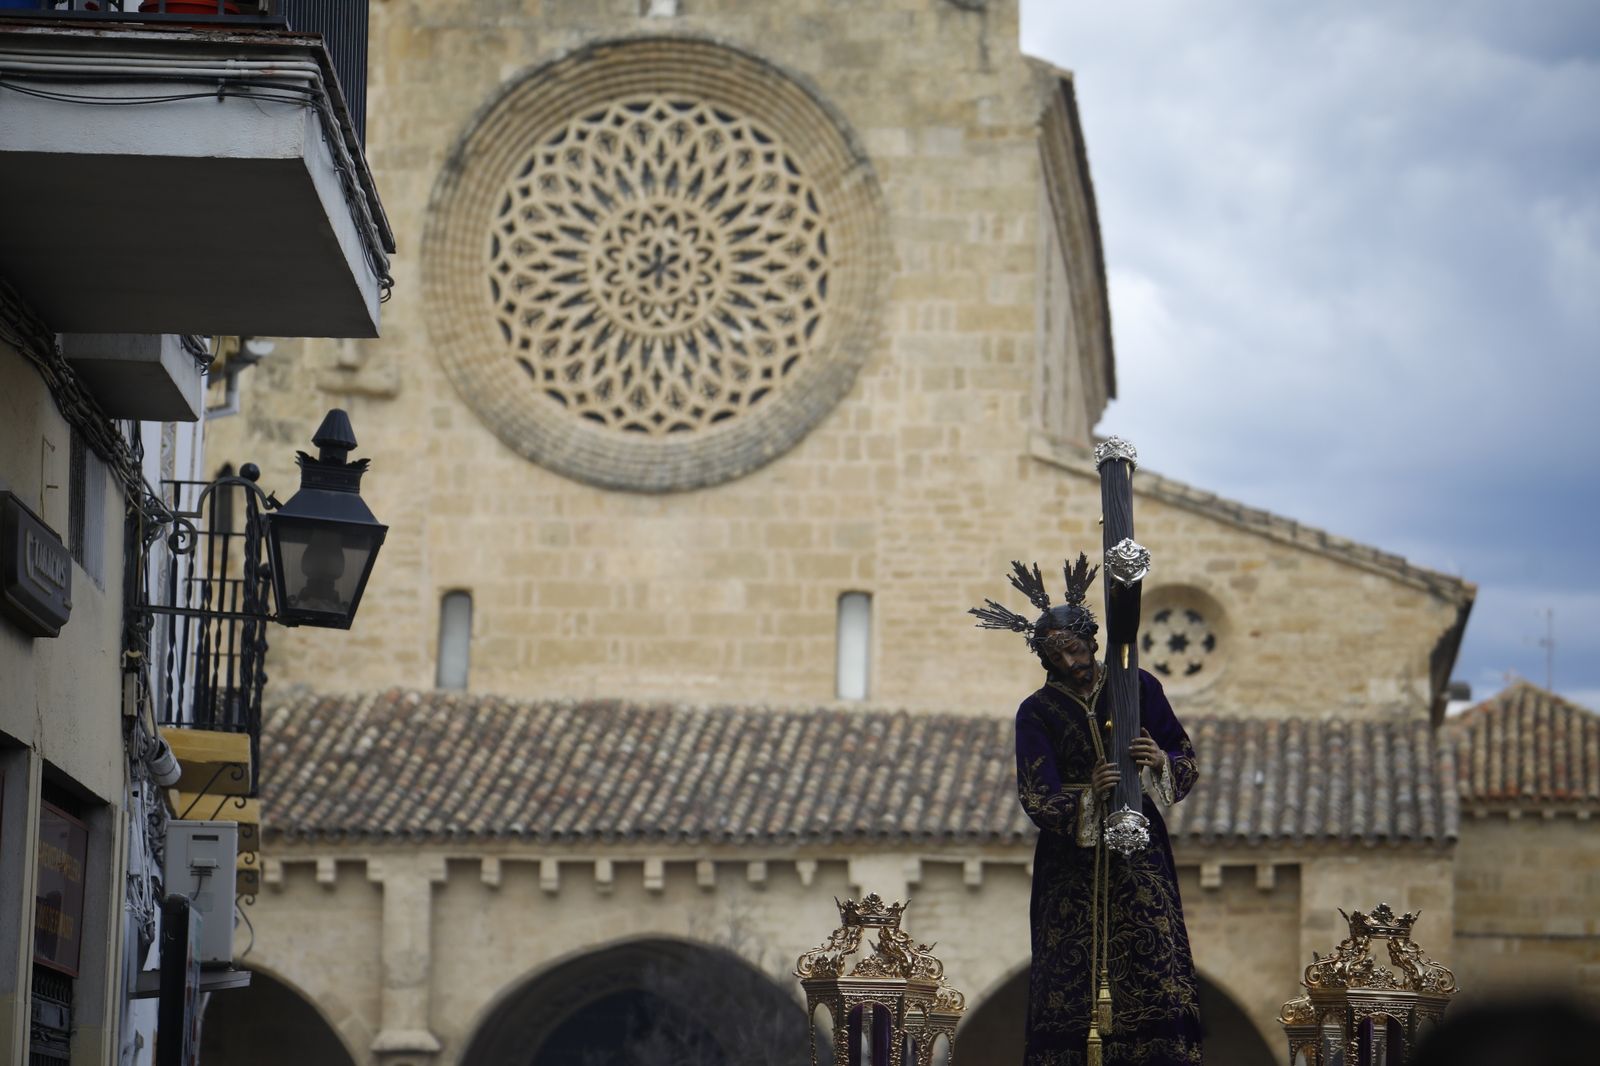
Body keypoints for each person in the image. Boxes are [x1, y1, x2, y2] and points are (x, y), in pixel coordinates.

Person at [973, 559, 1202, 1066]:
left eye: (1075, 649)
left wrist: (1158, 759)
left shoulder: (1138, 687)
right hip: (1069, 868)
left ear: (1093, 641)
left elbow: (1184, 756)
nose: (1070, 662)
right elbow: (1036, 795)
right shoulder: (1036, 712)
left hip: (1139, 853)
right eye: (1057, 655)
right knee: (1067, 976)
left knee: (1152, 959)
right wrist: (1088, 795)